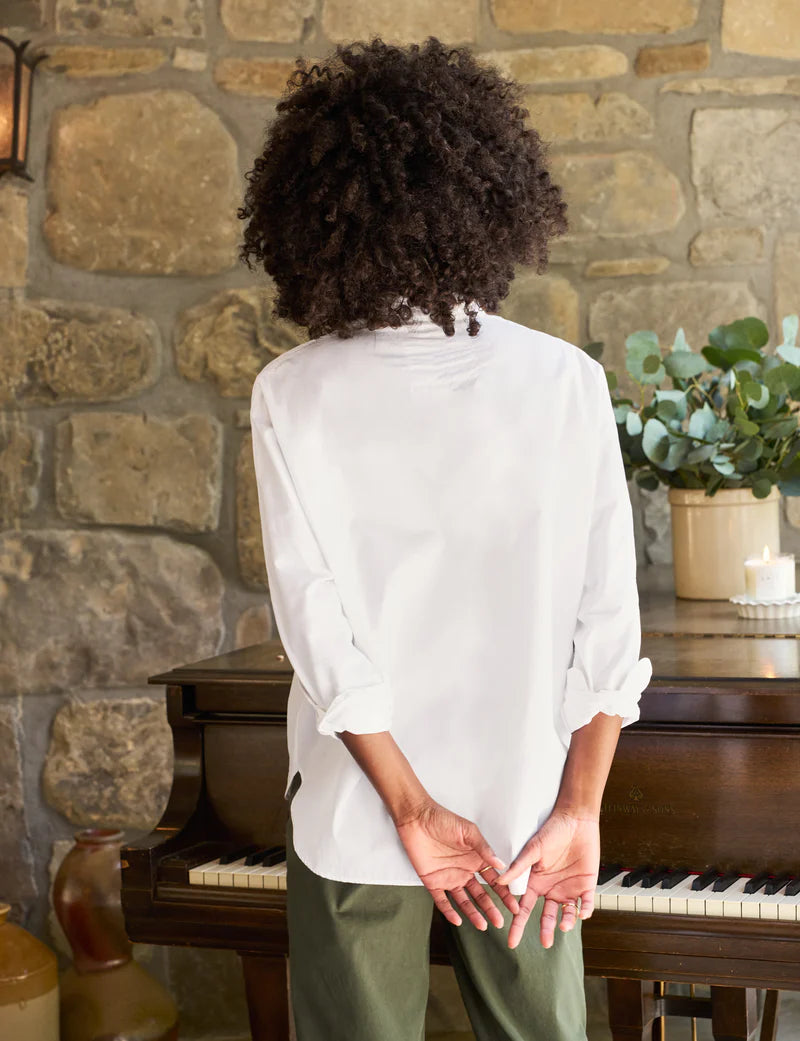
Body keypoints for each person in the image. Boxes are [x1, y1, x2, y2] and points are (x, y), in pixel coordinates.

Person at [240, 35, 652, 1041]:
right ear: (492, 197)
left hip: (354, 808)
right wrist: (580, 810)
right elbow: (608, 627)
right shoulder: (565, 383)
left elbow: (317, 631)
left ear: (312, 215)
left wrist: (412, 810)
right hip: (527, 821)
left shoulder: (292, 393)